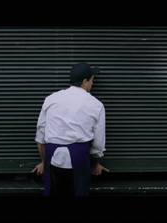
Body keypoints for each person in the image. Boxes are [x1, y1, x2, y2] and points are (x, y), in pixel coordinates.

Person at [32, 62, 109, 196]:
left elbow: (41, 136)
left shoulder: (51, 99)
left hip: (53, 158)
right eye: (92, 80)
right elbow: (98, 144)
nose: (92, 84)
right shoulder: (96, 105)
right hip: (79, 158)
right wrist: (95, 165)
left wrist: (44, 163)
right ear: (85, 81)